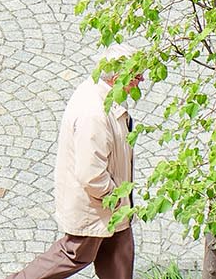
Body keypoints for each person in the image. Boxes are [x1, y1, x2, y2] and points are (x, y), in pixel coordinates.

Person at [9, 75, 135, 279]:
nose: (142, 80)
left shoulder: (104, 96)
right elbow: (91, 174)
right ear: (118, 76)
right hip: (97, 206)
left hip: (113, 206)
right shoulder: (95, 114)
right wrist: (115, 197)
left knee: (119, 253)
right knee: (73, 254)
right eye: (136, 76)